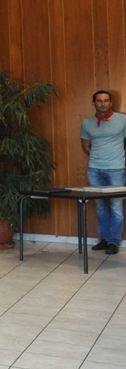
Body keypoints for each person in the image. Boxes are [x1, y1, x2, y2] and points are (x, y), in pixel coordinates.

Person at [80, 90, 126, 255]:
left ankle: (114, 241)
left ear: (111, 102)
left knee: (116, 206)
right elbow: (85, 145)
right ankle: (105, 239)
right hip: (95, 169)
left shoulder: (123, 119)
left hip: (116, 169)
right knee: (100, 207)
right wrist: (97, 158)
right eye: (99, 101)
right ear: (94, 103)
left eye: (106, 100)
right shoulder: (87, 122)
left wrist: (117, 157)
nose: (103, 103)